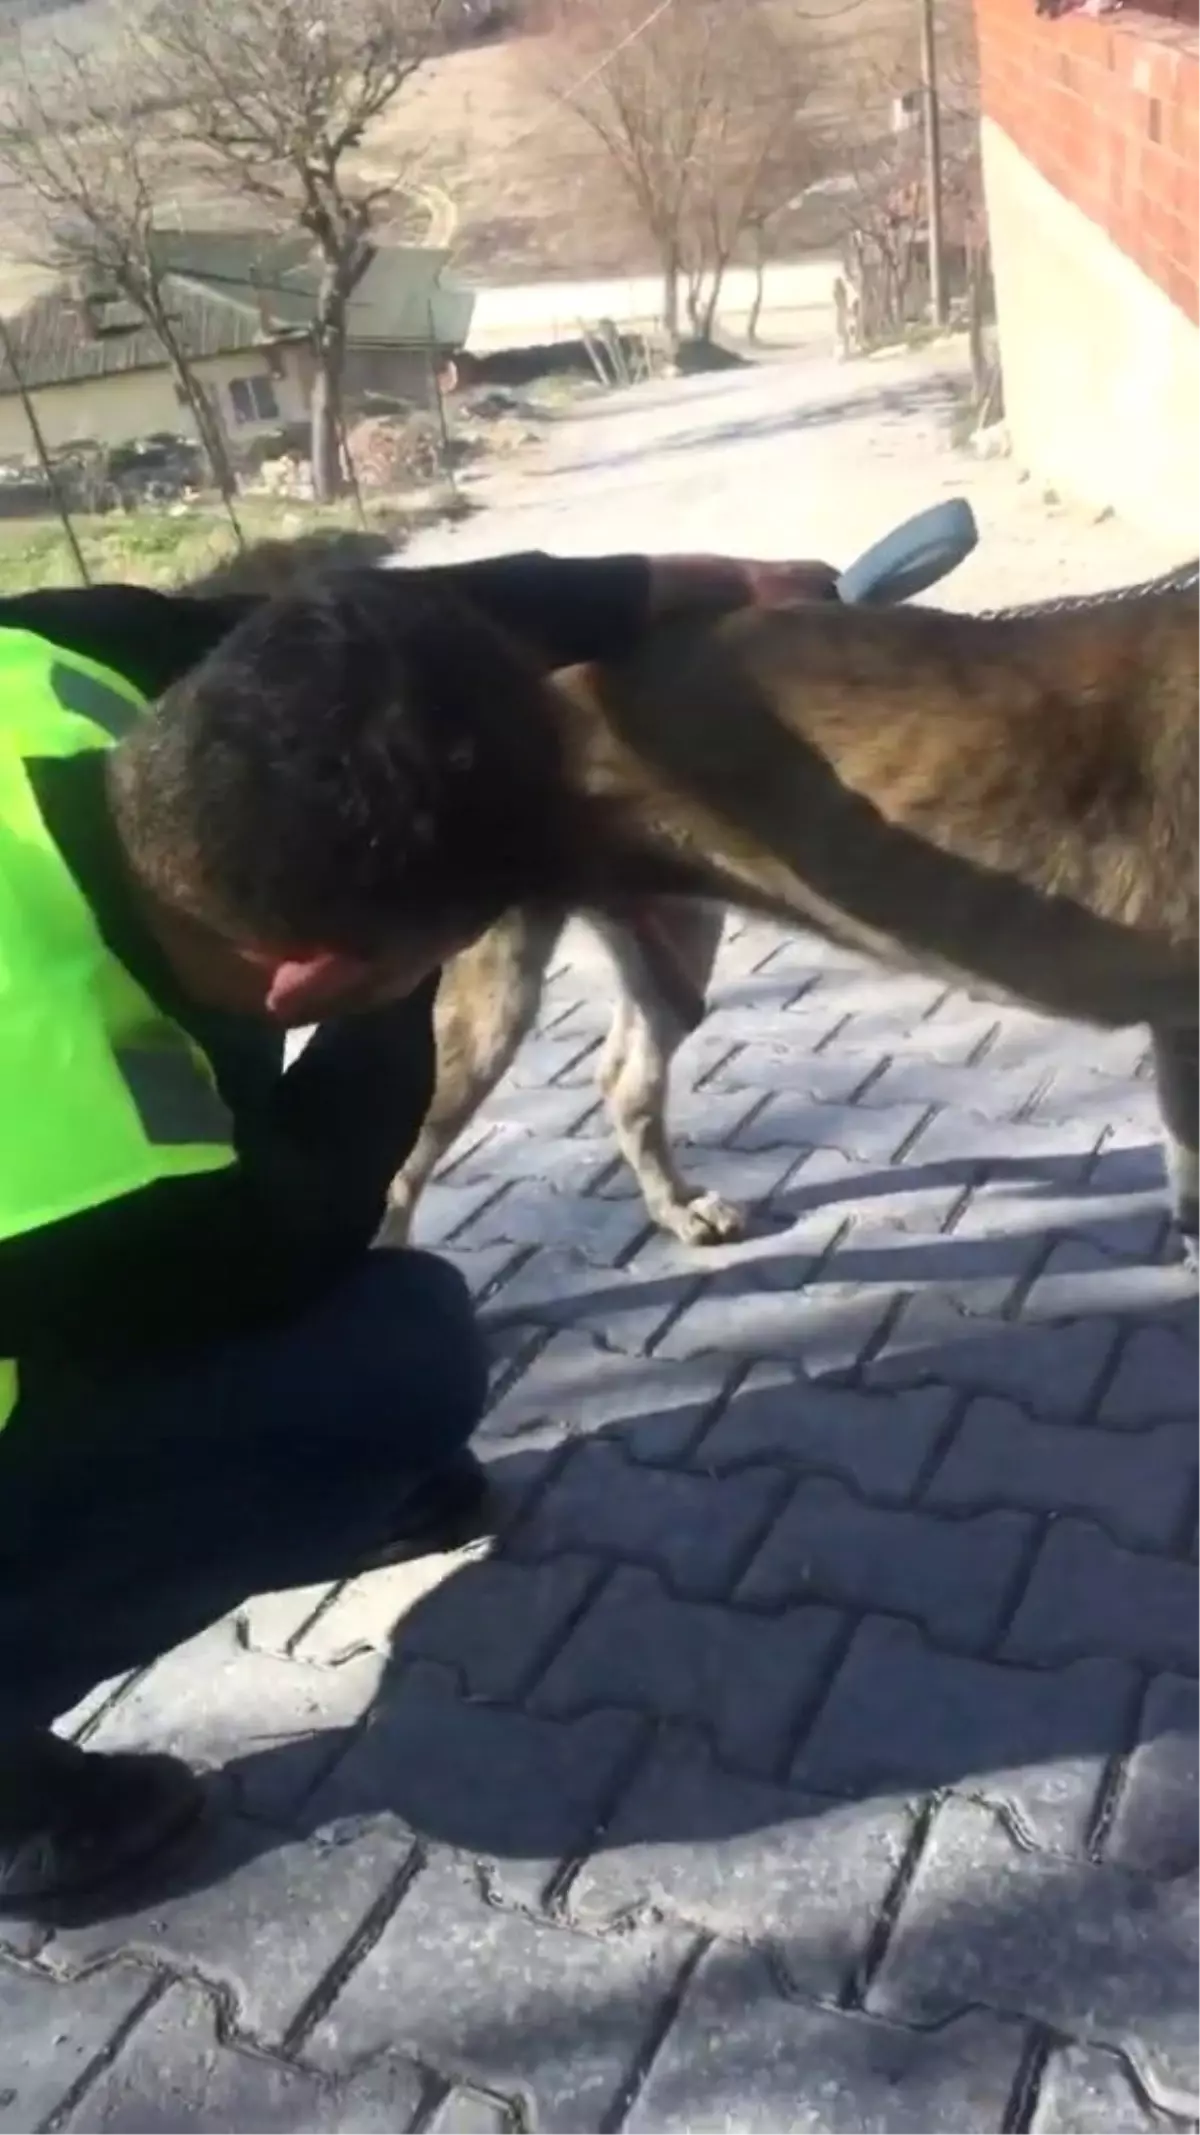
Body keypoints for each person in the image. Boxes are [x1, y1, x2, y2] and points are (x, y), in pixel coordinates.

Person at [0, 543, 838, 1922]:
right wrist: (406, 994)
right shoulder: (100, 1172)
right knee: (396, 1360)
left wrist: (682, 580)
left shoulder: (52, 663)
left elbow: (345, 651)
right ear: (316, 977)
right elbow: (323, 1217)